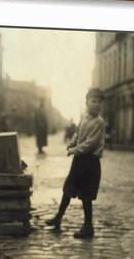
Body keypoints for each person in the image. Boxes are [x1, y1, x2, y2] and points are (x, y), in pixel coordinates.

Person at [45, 88, 106, 239]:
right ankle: (58, 217)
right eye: (93, 101)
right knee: (68, 188)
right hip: (79, 161)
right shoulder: (84, 118)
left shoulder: (99, 122)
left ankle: (88, 226)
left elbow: (91, 143)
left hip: (90, 162)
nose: (97, 105)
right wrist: (72, 143)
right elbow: (78, 134)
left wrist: (75, 150)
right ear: (87, 102)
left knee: (86, 195)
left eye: (99, 102)